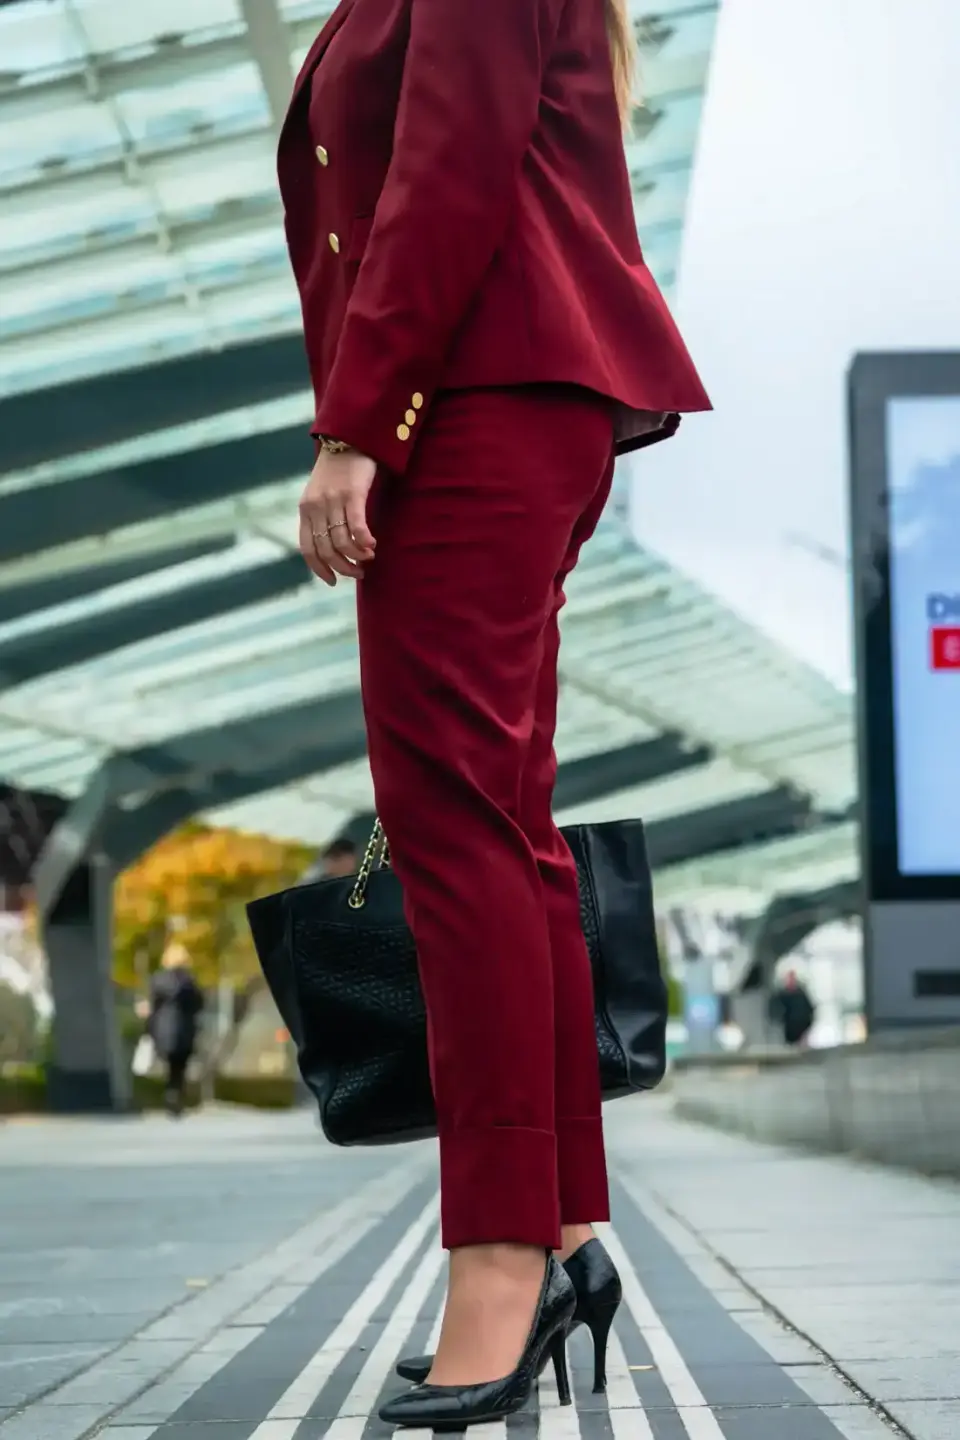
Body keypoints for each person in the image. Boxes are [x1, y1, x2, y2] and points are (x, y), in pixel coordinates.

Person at [279, 0, 710, 1426]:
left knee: (452, 832)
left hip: (473, 396)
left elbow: (446, 170)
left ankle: (498, 1261)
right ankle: (566, 1227)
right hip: (507, 394)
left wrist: (360, 422)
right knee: (502, 838)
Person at [147, 943, 204, 1117]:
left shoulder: (158, 980)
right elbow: (199, 1004)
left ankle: (170, 1094)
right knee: (179, 1067)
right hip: (184, 1029)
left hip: (163, 1029)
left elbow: (153, 1006)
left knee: (169, 1066)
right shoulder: (189, 981)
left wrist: (149, 1028)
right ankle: (175, 1096)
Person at [769, 969, 816, 1048]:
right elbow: (776, 1013)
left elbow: (809, 1010)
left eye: (792, 978)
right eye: (789, 979)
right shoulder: (781, 996)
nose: (791, 981)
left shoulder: (801, 995)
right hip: (786, 1031)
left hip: (802, 1030)